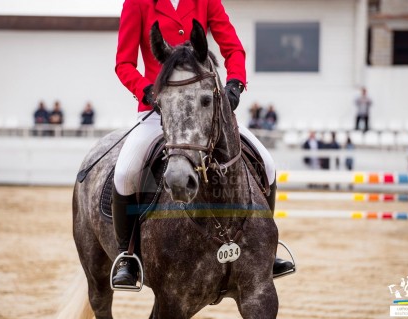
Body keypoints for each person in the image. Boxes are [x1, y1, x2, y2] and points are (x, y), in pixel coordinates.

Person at [112, 0, 292, 286]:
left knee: (266, 163)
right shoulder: (137, 3)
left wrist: (234, 83)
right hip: (158, 108)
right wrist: (148, 91)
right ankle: (127, 257)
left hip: (206, 108)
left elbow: (233, 48)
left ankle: (266, 252)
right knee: (124, 172)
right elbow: (123, 63)